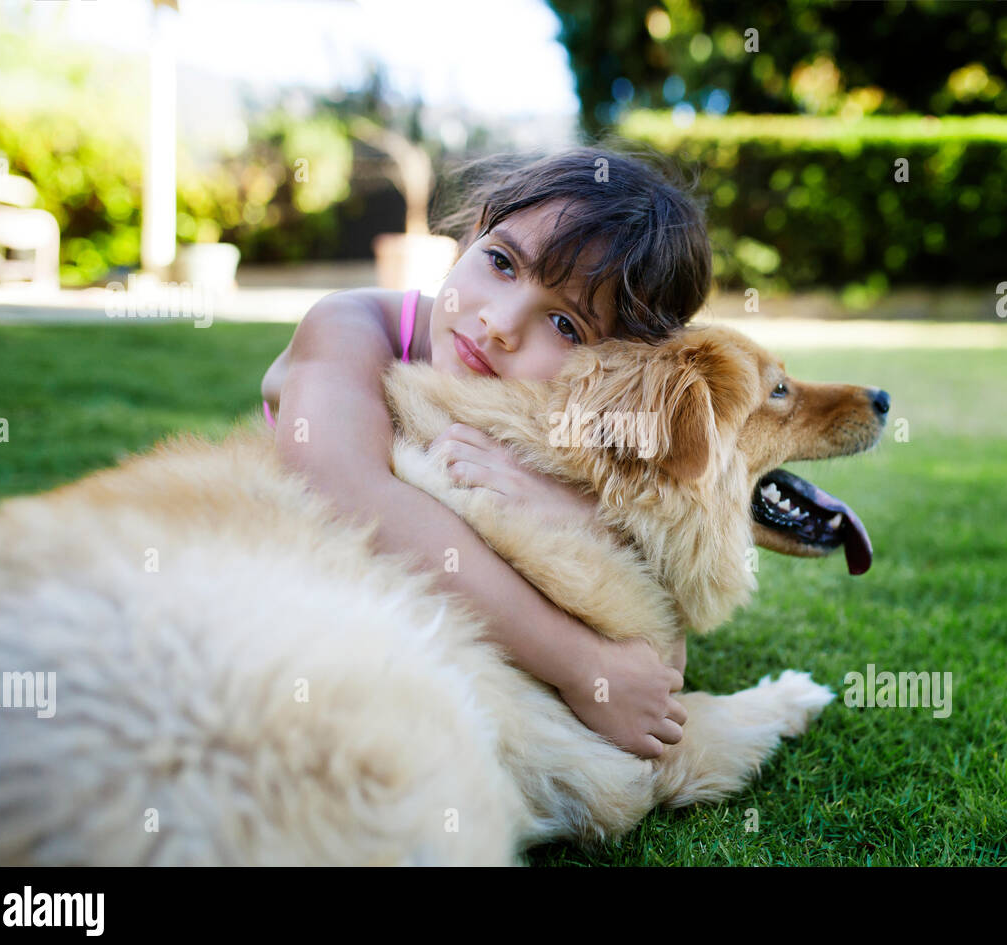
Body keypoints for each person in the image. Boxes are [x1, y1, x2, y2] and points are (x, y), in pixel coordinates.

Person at [260, 144, 712, 758]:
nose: (499, 323)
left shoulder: (569, 414)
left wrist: (553, 502)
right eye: (501, 262)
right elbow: (338, 487)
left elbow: (664, 610)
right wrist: (582, 665)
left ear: (612, 366)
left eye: (565, 326)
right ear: (473, 233)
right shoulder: (352, 324)